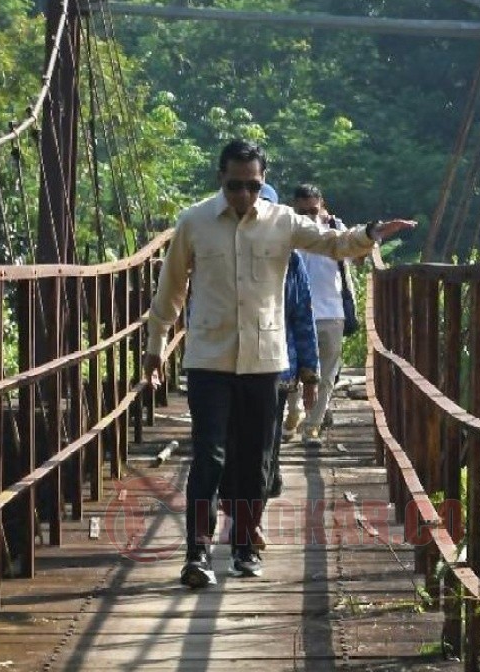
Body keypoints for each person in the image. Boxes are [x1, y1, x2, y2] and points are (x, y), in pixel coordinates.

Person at [143, 139, 416, 589]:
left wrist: (372, 234)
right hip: (210, 358)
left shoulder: (283, 221)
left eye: (253, 186)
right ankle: (197, 552)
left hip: (265, 360)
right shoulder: (194, 222)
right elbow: (171, 287)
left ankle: (245, 546)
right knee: (209, 455)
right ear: (220, 179)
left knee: (256, 458)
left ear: (263, 182)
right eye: (235, 186)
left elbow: (334, 244)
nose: (244, 196)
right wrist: (156, 342)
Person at [219, 186, 320, 553]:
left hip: (275, 370)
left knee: (264, 453)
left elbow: (302, 314)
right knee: (231, 449)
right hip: (226, 367)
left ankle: (251, 523)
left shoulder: (291, 260)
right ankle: (235, 518)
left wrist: (309, 373)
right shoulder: (222, 254)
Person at [292, 183, 358, 448]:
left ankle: (312, 425)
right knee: (292, 372)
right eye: (303, 212)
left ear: (322, 206)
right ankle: (296, 413)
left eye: (313, 210)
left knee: (327, 374)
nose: (309, 217)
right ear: (293, 210)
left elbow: (359, 253)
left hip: (331, 311)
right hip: (296, 313)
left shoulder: (335, 231)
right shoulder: (287, 231)